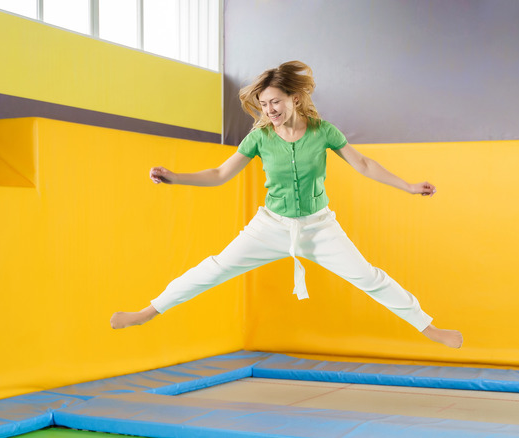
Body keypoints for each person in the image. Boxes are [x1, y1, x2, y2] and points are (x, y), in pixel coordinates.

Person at [110, 61, 463, 349]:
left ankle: (428, 327)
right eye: (264, 104)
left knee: (369, 277)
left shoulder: (323, 131)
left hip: (319, 226)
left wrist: (408, 186)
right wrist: (175, 177)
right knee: (216, 268)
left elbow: (364, 165)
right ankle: (148, 311)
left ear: (294, 98)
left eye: (275, 102)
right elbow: (219, 174)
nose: (269, 110)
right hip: (271, 226)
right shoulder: (260, 137)